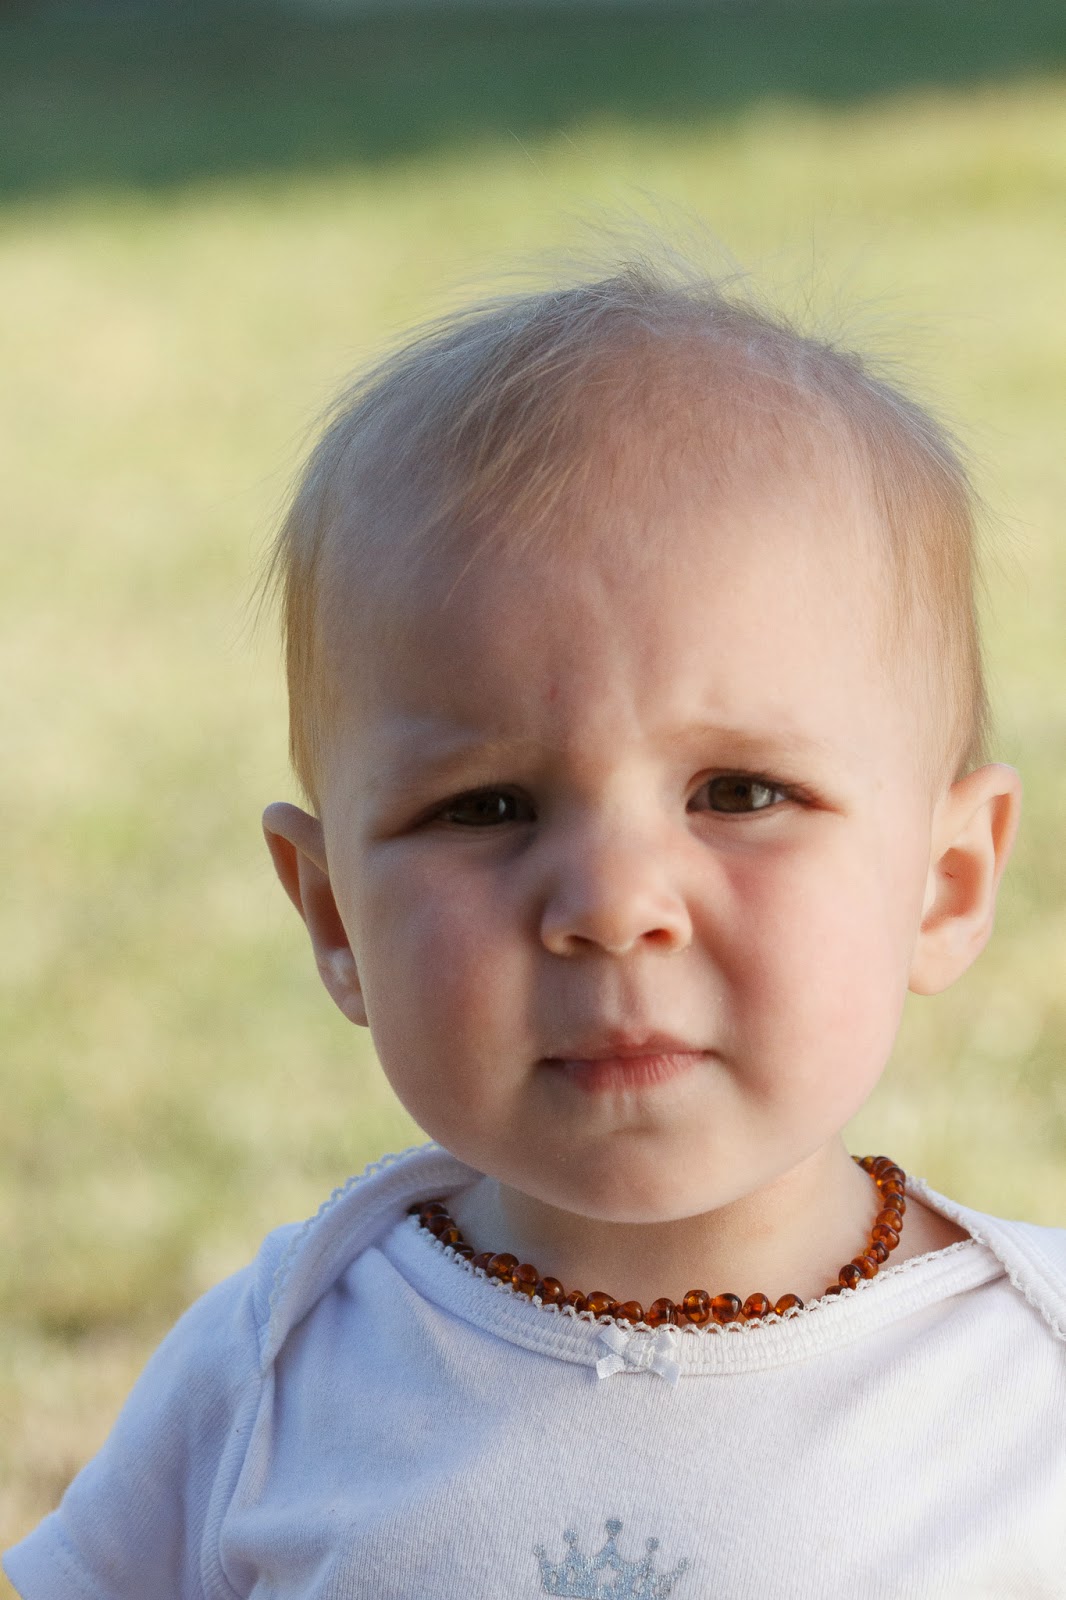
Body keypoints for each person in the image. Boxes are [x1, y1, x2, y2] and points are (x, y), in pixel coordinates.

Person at [6, 248, 1065, 1600]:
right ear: (334, 915)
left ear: (947, 881)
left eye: (738, 792)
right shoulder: (276, 1368)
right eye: (486, 806)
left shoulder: (1029, 1380)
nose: (613, 906)